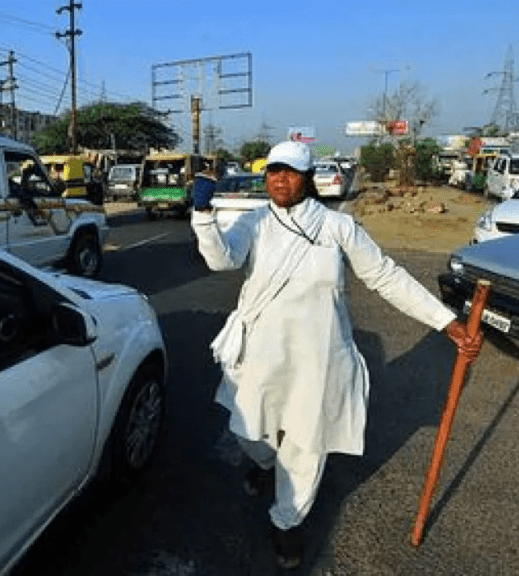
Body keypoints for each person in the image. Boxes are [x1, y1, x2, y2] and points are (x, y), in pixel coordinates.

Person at [190, 141, 482, 570]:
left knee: (308, 445)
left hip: (318, 356)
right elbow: (222, 260)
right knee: (249, 431)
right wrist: (203, 216)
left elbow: (385, 276)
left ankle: (287, 521)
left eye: (289, 172)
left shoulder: (336, 227)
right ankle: (265, 462)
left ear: (306, 179)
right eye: (273, 172)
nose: (279, 179)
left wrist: (446, 321)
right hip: (262, 353)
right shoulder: (254, 223)